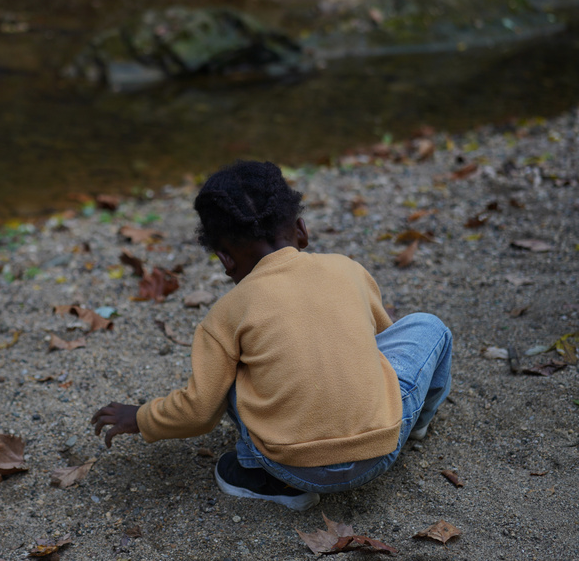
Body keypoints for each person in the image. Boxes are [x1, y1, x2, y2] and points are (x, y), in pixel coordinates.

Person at [91, 160, 452, 511]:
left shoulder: (227, 313)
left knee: (233, 374)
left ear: (225, 260)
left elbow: (199, 413)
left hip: (290, 467)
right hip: (382, 450)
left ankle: (267, 482)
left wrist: (140, 417)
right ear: (301, 229)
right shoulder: (348, 270)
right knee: (429, 327)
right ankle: (416, 425)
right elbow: (378, 346)